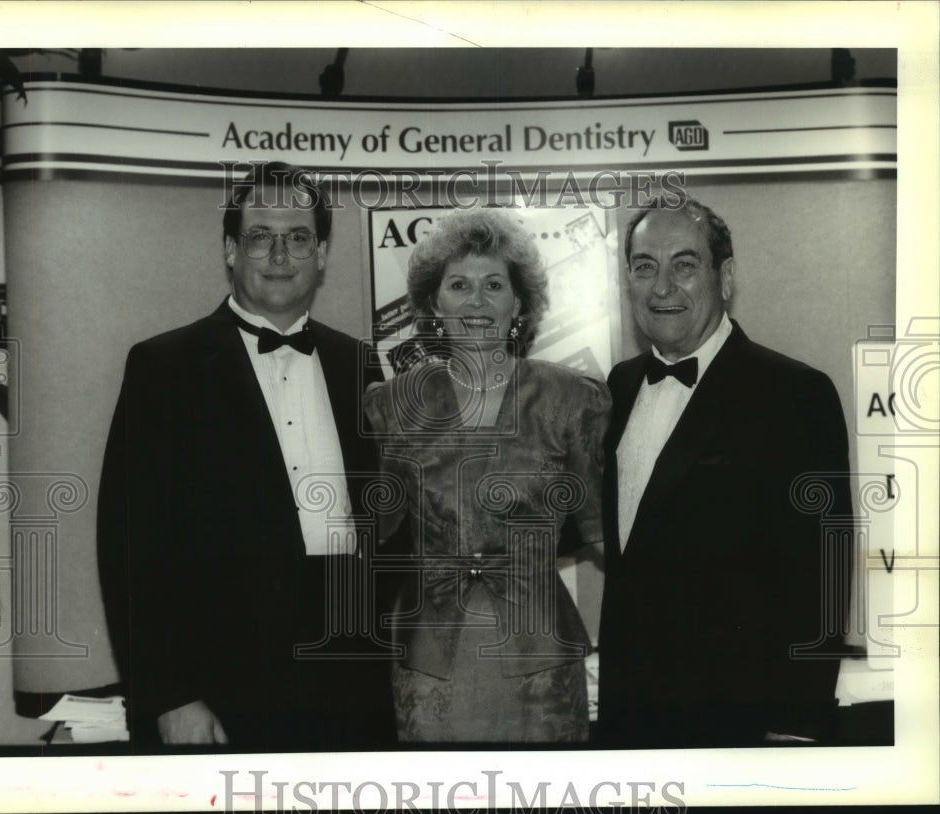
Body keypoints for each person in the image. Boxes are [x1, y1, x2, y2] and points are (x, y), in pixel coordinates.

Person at [97, 161, 394, 751]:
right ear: (232, 250)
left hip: (351, 683)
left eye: (299, 237)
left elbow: (381, 526)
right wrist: (170, 695)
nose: (280, 254)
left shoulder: (358, 363)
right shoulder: (163, 368)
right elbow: (129, 545)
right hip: (220, 689)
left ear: (322, 254)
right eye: (261, 236)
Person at [597, 197, 852, 748]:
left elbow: (822, 573)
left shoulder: (794, 393)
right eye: (645, 267)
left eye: (684, 265)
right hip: (627, 720)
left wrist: (798, 725)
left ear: (726, 276)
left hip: (738, 725)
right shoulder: (614, 388)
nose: (662, 286)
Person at [364, 209, 610, 743]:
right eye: (459, 285)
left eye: (493, 284)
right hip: (429, 665)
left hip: (542, 661)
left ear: (518, 303)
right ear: (433, 303)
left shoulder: (574, 399)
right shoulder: (389, 405)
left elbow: (604, 535)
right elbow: (371, 541)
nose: (477, 301)